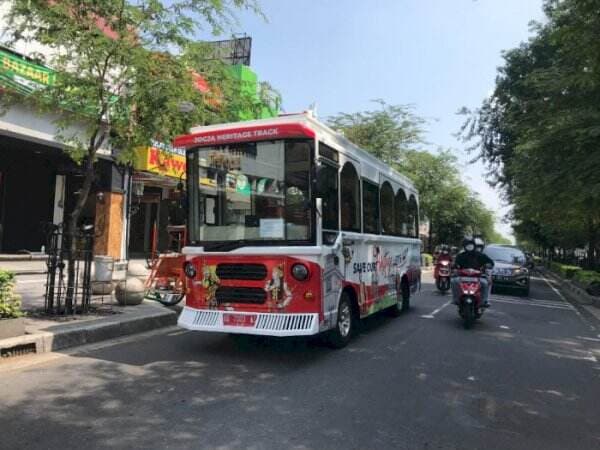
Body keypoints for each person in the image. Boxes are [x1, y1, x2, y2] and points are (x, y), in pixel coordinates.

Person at [451, 237, 495, 307]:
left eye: (471, 244)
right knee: (454, 281)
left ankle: (485, 301)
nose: (469, 246)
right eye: (467, 245)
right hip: (463, 276)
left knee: (486, 283)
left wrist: (488, 265)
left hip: (478, 276)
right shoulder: (460, 256)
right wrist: (454, 267)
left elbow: (491, 262)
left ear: (474, 245)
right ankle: (456, 299)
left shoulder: (480, 255)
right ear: (464, 246)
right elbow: (454, 265)